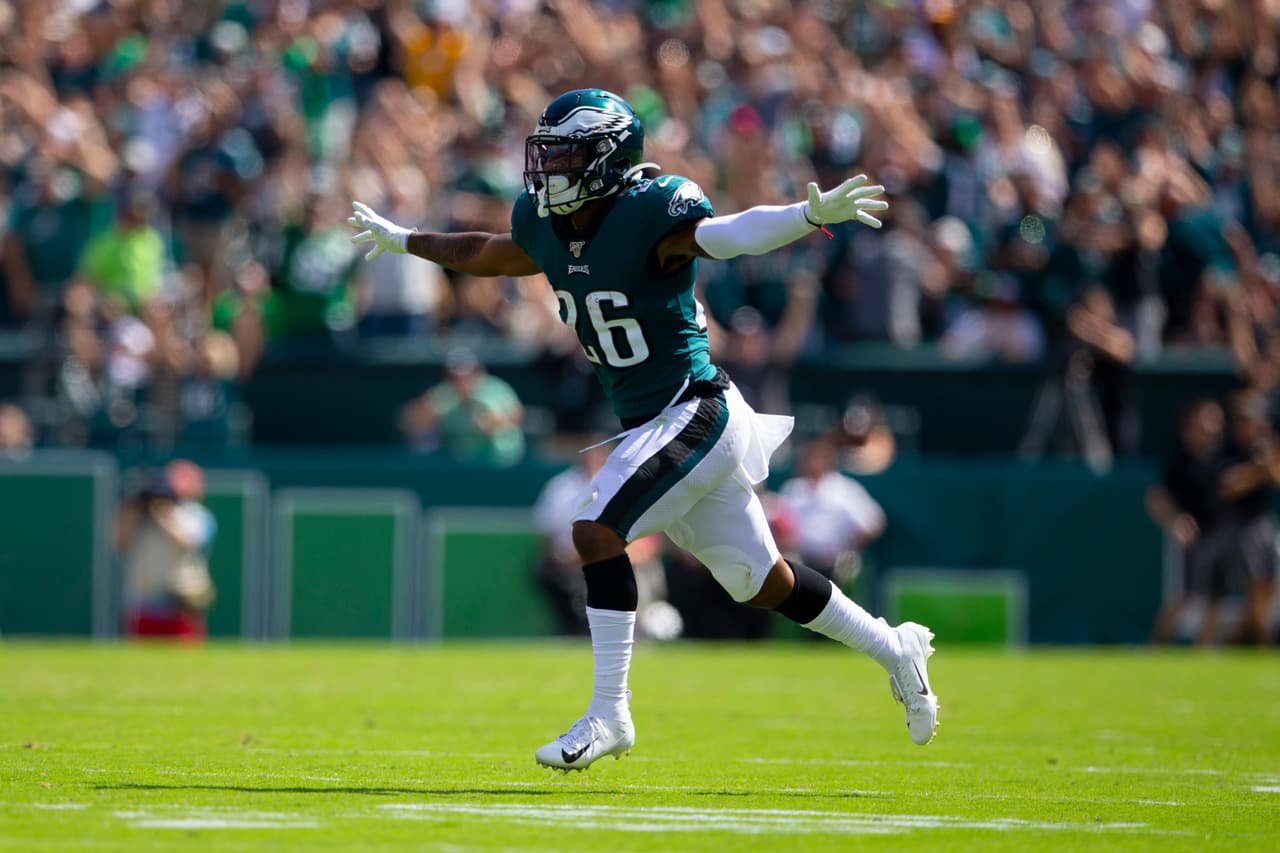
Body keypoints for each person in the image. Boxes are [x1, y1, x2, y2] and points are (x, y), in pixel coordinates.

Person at [349, 89, 937, 770]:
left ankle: (609, 712)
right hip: (652, 422)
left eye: (565, 155)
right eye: (548, 154)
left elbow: (729, 236)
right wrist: (405, 240)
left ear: (606, 159)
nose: (549, 171)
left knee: (594, 527)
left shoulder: (652, 209)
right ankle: (895, 647)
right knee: (762, 580)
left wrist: (806, 214)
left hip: (696, 408)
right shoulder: (545, 220)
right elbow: (491, 252)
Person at [1146, 399, 1231, 645]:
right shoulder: (1179, 460)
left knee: (1216, 597)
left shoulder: (1223, 456)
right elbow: (1156, 498)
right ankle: (1156, 649)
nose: (1214, 427)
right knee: (1182, 597)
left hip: (1221, 535)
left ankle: (1204, 654)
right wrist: (1175, 520)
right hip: (1193, 539)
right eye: (1208, 419)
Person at [114, 460, 217, 641]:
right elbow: (119, 543)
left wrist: (162, 513)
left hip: (179, 602)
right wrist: (132, 509)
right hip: (143, 602)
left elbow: (188, 542)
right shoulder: (139, 516)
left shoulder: (195, 514)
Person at [398, 347, 525, 467]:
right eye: (455, 376)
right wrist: (427, 414)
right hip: (464, 463)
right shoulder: (444, 393)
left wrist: (492, 422)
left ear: (479, 372)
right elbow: (410, 417)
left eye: (467, 374)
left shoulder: (496, 390)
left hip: (501, 462)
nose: (462, 381)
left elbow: (517, 415)